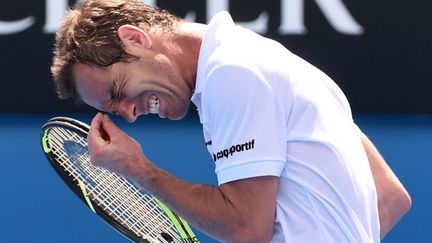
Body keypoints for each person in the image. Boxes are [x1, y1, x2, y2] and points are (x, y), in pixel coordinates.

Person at [51, 0, 411, 242]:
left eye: (117, 91)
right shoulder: (270, 60)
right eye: (116, 110)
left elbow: (246, 228)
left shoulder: (230, 73)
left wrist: (140, 170)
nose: (129, 113)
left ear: (134, 39)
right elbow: (390, 198)